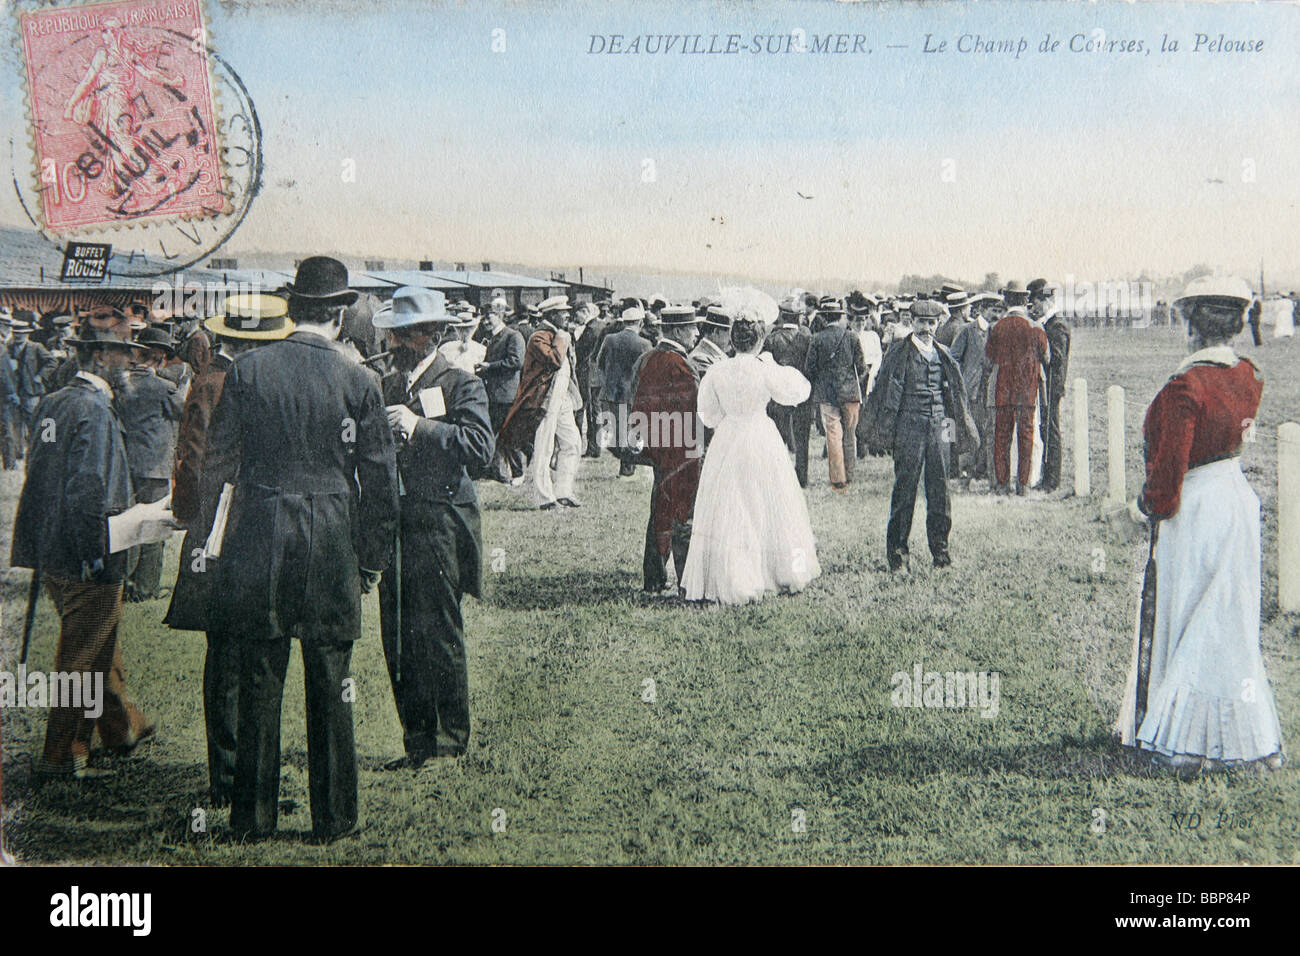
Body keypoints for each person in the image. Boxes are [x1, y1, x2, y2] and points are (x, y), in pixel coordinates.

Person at [202, 256, 399, 842]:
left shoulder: (248, 371)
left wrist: (212, 542)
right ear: (339, 315)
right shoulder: (360, 382)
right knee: (331, 678)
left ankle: (252, 817)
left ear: (292, 308)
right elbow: (382, 485)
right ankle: (334, 817)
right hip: (332, 541)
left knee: (260, 672)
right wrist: (369, 560)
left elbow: (217, 467)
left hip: (259, 539)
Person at [1115, 276, 1284, 774]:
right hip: (1235, 499)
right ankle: (1239, 737)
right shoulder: (1249, 374)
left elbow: (1169, 479)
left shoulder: (1185, 386)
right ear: (1234, 324)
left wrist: (1136, 511)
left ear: (1189, 323)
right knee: (1227, 620)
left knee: (1186, 613)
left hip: (1198, 506)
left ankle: (1183, 740)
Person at [11, 328, 155, 780]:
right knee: (82, 657)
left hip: (54, 551)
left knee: (99, 647)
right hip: (88, 553)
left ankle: (118, 729)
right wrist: (95, 553)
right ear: (97, 356)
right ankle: (61, 755)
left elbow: (40, 474)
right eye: (121, 353)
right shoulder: (94, 410)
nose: (130, 362)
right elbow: (88, 487)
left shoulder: (55, 401)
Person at [165, 294, 285, 806]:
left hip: (221, 531)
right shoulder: (227, 381)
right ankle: (233, 778)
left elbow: (192, 462)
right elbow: (194, 462)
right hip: (235, 531)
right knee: (240, 653)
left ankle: (235, 776)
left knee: (232, 653)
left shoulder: (220, 380)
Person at [372, 288, 494, 768]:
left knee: (439, 630)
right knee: (398, 633)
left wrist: (419, 427)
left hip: (440, 523)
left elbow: (479, 448)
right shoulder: (385, 385)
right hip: (396, 524)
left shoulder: (462, 383)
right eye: (394, 333)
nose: (396, 342)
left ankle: (449, 739)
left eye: (407, 334)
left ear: (435, 335)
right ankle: (416, 738)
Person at [682, 309, 820, 604]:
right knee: (771, 502)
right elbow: (798, 392)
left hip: (728, 436)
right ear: (759, 340)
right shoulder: (765, 368)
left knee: (731, 505)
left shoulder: (718, 370)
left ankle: (735, 575)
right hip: (760, 435)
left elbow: (707, 414)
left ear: (733, 340)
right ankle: (784, 570)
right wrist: (768, 365)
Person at [865, 300, 978, 570]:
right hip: (909, 426)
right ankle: (898, 557)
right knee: (905, 490)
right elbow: (883, 392)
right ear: (911, 321)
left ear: (938, 323)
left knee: (940, 490)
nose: (926, 328)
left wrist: (953, 434)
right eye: (921, 322)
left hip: (940, 427)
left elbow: (954, 397)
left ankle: (941, 553)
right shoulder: (898, 353)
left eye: (931, 323)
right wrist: (882, 431)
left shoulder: (944, 354)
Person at [630, 305, 704, 594]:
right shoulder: (681, 365)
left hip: (659, 450)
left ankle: (654, 579)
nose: (696, 332)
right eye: (691, 327)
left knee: (659, 512)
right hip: (683, 452)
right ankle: (685, 580)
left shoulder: (647, 358)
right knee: (682, 516)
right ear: (676, 330)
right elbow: (697, 411)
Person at [116, 326, 185, 602]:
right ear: (159, 357)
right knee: (153, 525)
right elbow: (183, 412)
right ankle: (146, 586)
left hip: (124, 463)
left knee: (125, 524)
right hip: (154, 467)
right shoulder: (163, 388)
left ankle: (122, 582)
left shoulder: (119, 383)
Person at [497, 296, 583, 509]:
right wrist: (563, 339)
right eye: (563, 312)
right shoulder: (539, 338)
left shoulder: (559, 335)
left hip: (562, 396)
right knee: (544, 446)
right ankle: (544, 497)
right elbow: (555, 360)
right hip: (544, 398)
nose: (567, 315)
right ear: (552, 315)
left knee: (573, 442)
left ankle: (563, 490)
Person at [985, 280, 1048, 495]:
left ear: (1006, 299)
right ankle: (1023, 484)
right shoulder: (1036, 327)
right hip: (1027, 391)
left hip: (1003, 389)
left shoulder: (996, 327)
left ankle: (1002, 484)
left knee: (1002, 436)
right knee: (1026, 436)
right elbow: (1045, 357)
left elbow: (990, 356)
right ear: (1025, 300)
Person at [804, 297, 866, 491]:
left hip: (827, 392)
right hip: (850, 393)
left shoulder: (817, 338)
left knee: (833, 434)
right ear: (840, 316)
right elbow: (862, 367)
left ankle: (838, 478)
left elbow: (809, 368)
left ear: (824, 317)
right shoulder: (852, 337)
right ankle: (851, 474)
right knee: (850, 434)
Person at [595, 305, 652, 476]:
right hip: (631, 393)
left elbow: (600, 362)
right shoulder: (644, 344)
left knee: (614, 431)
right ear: (640, 323)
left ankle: (626, 464)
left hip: (610, 392)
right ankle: (628, 466)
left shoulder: (609, 339)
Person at [763, 298, 813, 486]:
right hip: (802, 393)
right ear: (799, 317)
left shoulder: (771, 338)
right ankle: (802, 477)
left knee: (778, 437)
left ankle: (778, 477)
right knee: (803, 438)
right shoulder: (807, 336)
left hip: (778, 395)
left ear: (782, 316)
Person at [949, 293, 997, 485]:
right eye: (994, 310)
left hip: (991, 391)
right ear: (983, 309)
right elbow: (953, 358)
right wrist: (962, 382)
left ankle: (982, 470)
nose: (997, 314)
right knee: (971, 432)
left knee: (988, 431)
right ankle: (966, 472)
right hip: (972, 391)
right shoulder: (967, 330)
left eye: (1000, 310)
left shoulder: (997, 331)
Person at [476, 301, 526, 483]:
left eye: (489, 317)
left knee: (508, 435)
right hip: (493, 393)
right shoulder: (488, 337)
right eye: (483, 318)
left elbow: (516, 362)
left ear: (500, 316)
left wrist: (489, 366)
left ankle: (518, 472)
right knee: (490, 433)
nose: (485, 321)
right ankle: (492, 471)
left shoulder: (513, 336)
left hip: (506, 395)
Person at [1033, 281, 1071, 493]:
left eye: (1037, 302)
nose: (1035, 308)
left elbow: (1056, 359)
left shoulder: (1057, 326)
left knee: (1051, 431)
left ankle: (1051, 480)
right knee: (1046, 430)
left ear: (1047, 300)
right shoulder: (1050, 324)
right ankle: (1047, 477)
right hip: (1046, 386)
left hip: (1052, 387)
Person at [9, 311, 58, 448]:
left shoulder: (36, 347)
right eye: (15, 333)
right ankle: (18, 451)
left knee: (34, 419)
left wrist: (40, 375)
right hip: (15, 389)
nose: (18, 336)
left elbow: (52, 362)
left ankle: (37, 447)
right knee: (16, 421)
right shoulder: (9, 348)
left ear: (27, 334)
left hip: (31, 390)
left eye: (21, 334)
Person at [575, 301, 609, 458]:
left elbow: (581, 354)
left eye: (577, 315)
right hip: (598, 375)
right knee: (595, 410)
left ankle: (593, 448)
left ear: (584, 311)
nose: (576, 319)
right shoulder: (601, 326)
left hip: (588, 375)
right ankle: (595, 447)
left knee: (591, 412)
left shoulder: (591, 330)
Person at [688, 306, 732, 379]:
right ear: (716, 331)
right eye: (730, 333)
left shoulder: (717, 355)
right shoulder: (700, 358)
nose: (732, 339)